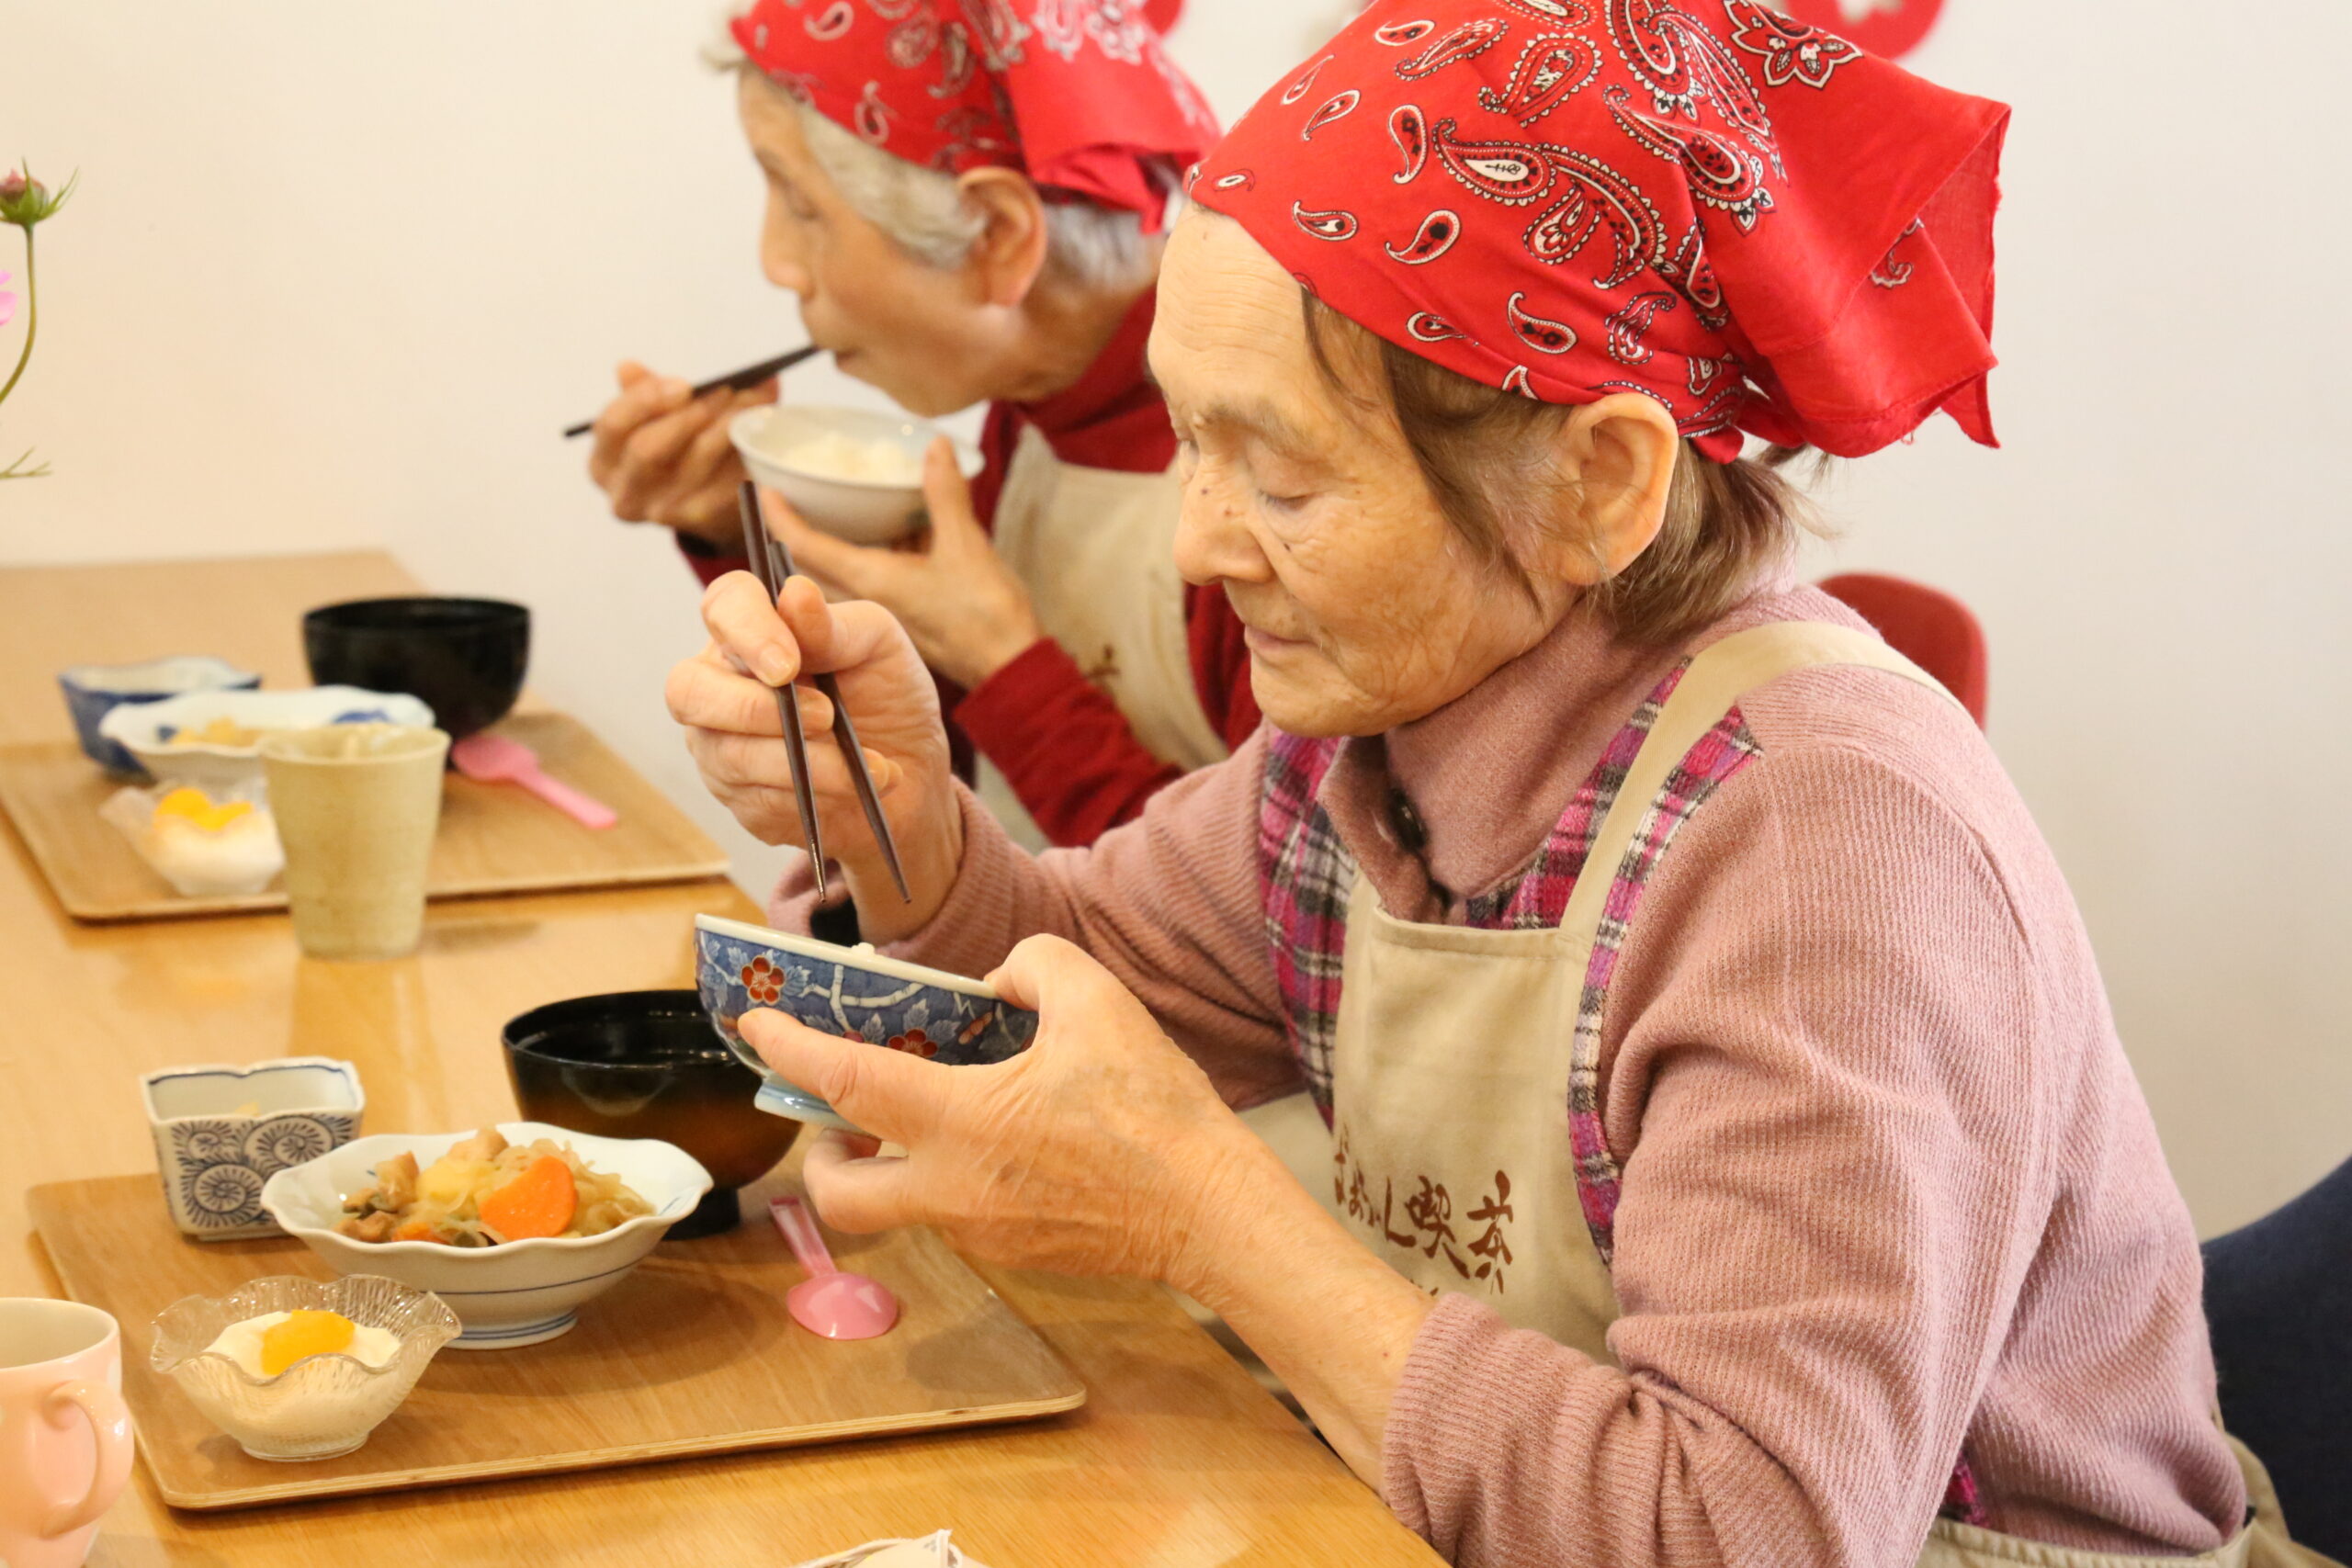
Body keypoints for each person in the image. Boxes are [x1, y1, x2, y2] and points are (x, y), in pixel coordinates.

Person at [669, 2, 2323, 1563]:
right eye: (1188, 439)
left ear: (1599, 480)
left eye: (1285, 472)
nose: (1195, 538)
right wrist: (901, 816)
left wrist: (1208, 1221)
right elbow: (1076, 980)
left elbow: (1751, 1530)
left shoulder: (1829, 844)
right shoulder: (1366, 748)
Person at [590, 0, 1258, 851]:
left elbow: (1273, 922)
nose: (775, 263)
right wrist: (736, 526)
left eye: (799, 203)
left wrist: (1006, 663)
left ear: (1000, 234)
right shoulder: (1038, 410)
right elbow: (933, 778)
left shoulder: (1262, 481)